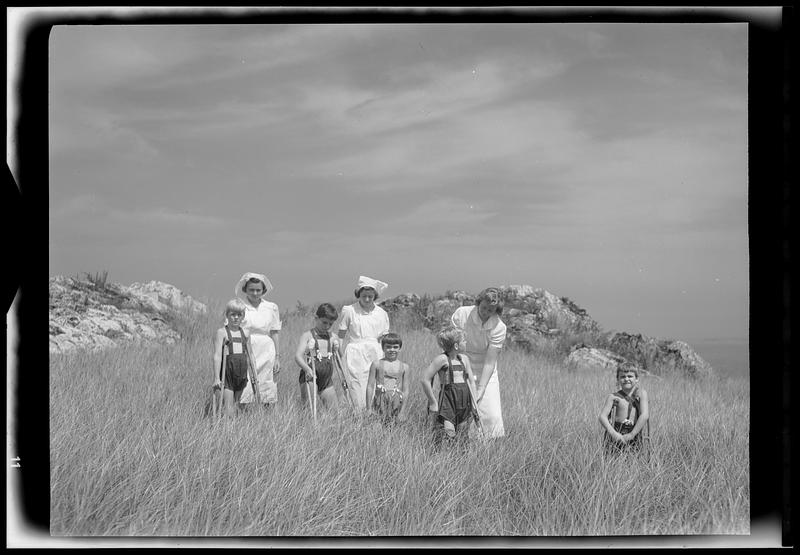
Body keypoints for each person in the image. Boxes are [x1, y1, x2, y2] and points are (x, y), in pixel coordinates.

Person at [450, 287, 507, 438]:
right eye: (483, 307)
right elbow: (454, 344)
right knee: (460, 409)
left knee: (491, 415)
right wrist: (459, 367)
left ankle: (484, 447)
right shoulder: (462, 314)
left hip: (485, 369)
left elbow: (490, 362)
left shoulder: (499, 327)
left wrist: (480, 389)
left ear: (496, 310)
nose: (485, 312)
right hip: (461, 361)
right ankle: (457, 441)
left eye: (490, 310)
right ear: (478, 303)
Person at [337, 276, 390, 411]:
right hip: (354, 354)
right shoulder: (349, 310)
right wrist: (341, 358)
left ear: (375, 296)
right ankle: (356, 418)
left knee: (375, 387)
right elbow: (341, 337)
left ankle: (374, 417)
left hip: (375, 354)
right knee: (355, 387)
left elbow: (385, 340)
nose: (367, 299)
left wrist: (387, 360)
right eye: (364, 296)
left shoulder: (381, 313)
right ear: (358, 295)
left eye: (370, 297)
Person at [420, 326, 479, 445]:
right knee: (448, 434)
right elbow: (425, 379)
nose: (466, 342)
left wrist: (474, 403)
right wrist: (433, 402)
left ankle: (460, 457)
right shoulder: (442, 359)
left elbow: (471, 381)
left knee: (463, 434)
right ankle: (441, 453)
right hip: (448, 400)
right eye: (464, 340)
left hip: (464, 399)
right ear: (456, 346)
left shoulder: (465, 359)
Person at [235, 272, 281, 407]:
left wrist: (277, 357)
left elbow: (274, 332)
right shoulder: (239, 305)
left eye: (258, 290)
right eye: (251, 290)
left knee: (267, 383)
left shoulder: (271, 307)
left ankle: (265, 418)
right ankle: (245, 417)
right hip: (245, 347)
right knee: (245, 384)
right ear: (245, 289)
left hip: (266, 349)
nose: (255, 293)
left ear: (263, 290)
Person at [295, 303, 341, 412]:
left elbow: (340, 357)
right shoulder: (308, 335)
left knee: (335, 412)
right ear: (316, 318)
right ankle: (306, 427)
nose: (327, 326)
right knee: (309, 409)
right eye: (324, 322)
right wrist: (307, 369)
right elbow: (298, 356)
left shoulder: (333, 337)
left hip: (326, 378)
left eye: (330, 324)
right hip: (311, 375)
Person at [211, 299, 254, 417]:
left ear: (243, 316)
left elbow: (250, 354)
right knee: (228, 406)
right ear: (227, 315)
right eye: (233, 314)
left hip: (241, 372)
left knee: (236, 404)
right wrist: (216, 378)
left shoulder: (245, 333)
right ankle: (227, 430)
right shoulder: (222, 332)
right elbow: (217, 356)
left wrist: (254, 373)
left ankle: (234, 430)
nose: (236, 317)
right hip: (227, 373)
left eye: (239, 315)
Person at [599, 361, 650, 455]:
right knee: (612, 457)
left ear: (637, 379)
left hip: (634, 431)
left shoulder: (641, 394)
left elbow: (645, 415)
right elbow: (602, 417)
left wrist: (632, 434)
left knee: (634, 459)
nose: (626, 379)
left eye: (630, 376)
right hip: (616, 431)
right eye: (622, 377)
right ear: (618, 379)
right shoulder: (613, 397)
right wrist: (613, 434)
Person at [366, 332, 410, 423]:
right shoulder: (376, 364)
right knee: (377, 427)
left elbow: (406, 390)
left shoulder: (404, 367)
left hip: (396, 403)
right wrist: (368, 408)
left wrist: (402, 411)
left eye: (395, 347)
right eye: (388, 347)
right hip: (379, 401)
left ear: (400, 348)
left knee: (394, 428)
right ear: (383, 348)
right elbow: (370, 386)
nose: (392, 350)